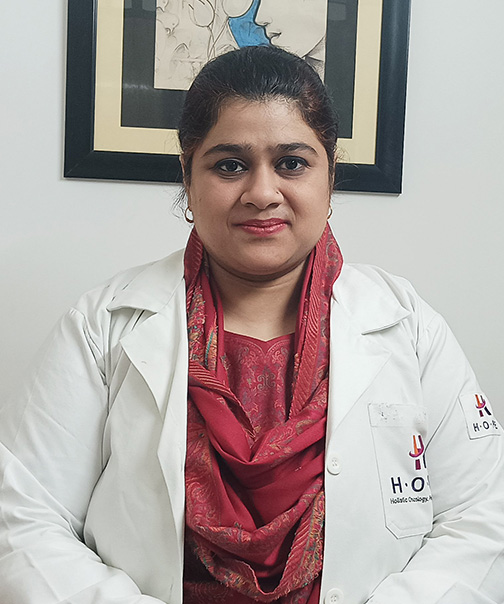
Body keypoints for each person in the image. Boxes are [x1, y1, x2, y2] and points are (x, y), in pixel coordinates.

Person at [0, 45, 503, 604]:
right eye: (230, 165)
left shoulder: (408, 327)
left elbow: (481, 514)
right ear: (188, 178)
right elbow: (25, 519)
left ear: (330, 177)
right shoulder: (103, 327)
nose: (262, 193)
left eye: (292, 163)